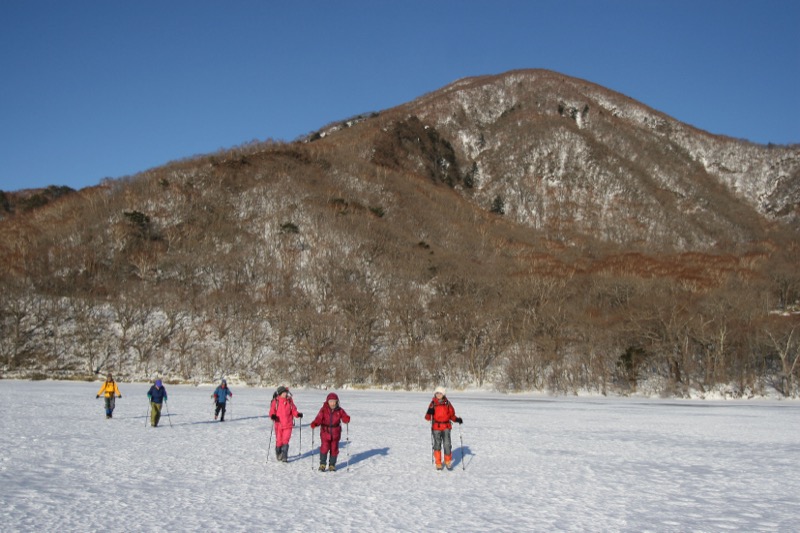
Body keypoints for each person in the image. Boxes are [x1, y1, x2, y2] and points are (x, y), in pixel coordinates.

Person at [310, 392, 351, 472]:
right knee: (324, 448)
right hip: (325, 432)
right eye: (330, 401)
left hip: (336, 433)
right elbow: (319, 418)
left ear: (337, 402)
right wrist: (315, 423)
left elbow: (344, 417)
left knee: (334, 449)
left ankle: (332, 465)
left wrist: (346, 419)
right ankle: (322, 464)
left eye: (334, 401)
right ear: (327, 402)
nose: (332, 403)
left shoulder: (340, 410)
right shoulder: (323, 410)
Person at [424, 386, 463, 470]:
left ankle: (448, 461)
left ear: (443, 394)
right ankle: (438, 463)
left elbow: (451, 415)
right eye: (437, 393)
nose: (438, 394)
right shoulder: (432, 403)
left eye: (440, 393)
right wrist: (429, 412)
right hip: (436, 427)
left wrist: (457, 419)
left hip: (446, 427)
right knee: (437, 444)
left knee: (447, 444)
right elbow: (427, 418)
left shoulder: (447, 403)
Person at [268, 385, 302, 462]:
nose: (285, 394)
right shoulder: (275, 401)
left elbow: (293, 410)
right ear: (280, 394)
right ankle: (278, 453)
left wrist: (297, 414)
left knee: (285, 440)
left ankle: (284, 456)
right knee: (279, 440)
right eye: (283, 393)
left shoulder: (289, 401)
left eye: (285, 393)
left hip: (288, 424)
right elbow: (272, 411)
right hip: (278, 424)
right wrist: (273, 416)